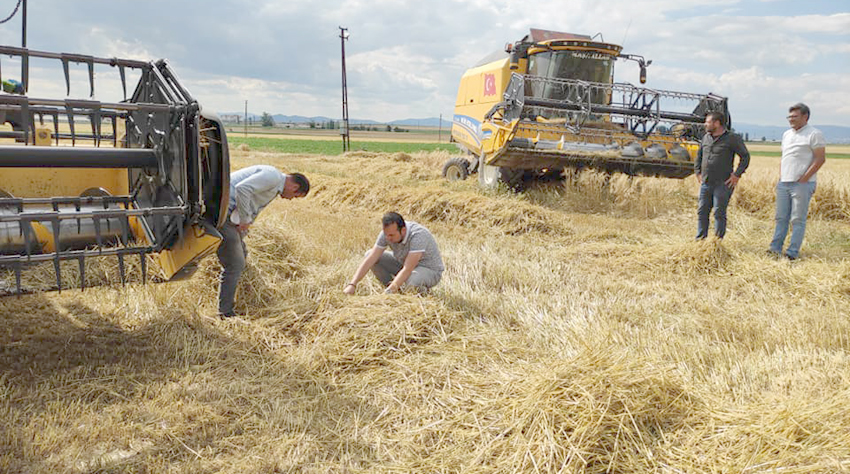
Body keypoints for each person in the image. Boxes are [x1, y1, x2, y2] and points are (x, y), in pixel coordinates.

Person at [217, 165, 309, 317]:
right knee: (235, 264)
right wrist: (245, 219)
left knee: (242, 254)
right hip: (223, 213)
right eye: (295, 195)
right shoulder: (273, 176)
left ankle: (237, 296)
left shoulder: (274, 184)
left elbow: (251, 203)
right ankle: (225, 312)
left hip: (228, 215)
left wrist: (244, 227)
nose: (291, 199)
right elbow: (242, 188)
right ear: (295, 186)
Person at [768, 103, 826, 260]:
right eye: (789, 117)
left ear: (805, 117)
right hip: (784, 182)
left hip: (802, 184)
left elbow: (820, 158)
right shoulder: (787, 134)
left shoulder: (814, 134)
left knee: (797, 219)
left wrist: (804, 179)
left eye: (794, 116)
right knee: (781, 217)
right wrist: (781, 177)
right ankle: (775, 248)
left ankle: (792, 252)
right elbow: (785, 158)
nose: (791, 120)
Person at [343, 212, 444, 295]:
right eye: (386, 235)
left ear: (403, 230)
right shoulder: (387, 233)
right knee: (368, 254)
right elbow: (371, 258)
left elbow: (408, 268)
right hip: (403, 263)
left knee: (412, 282)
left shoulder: (418, 235)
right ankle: (394, 289)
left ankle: (422, 295)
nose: (388, 238)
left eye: (391, 235)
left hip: (429, 270)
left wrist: (388, 294)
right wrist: (352, 284)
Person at [694, 111, 750, 240]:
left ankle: (717, 241)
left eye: (707, 122)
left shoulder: (732, 138)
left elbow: (745, 157)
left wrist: (736, 175)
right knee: (702, 211)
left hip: (723, 183)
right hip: (706, 183)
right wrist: (698, 172)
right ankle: (700, 240)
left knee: (719, 212)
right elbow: (699, 156)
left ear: (717, 123)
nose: (705, 125)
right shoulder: (706, 138)